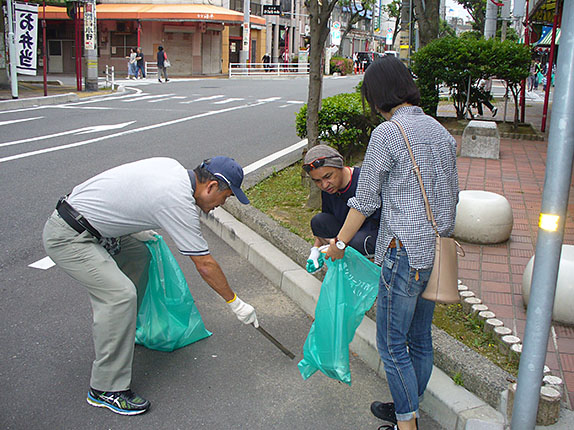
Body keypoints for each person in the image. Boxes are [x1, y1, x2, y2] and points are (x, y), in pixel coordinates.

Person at [42, 156, 258, 416]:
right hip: (69, 236)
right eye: (226, 197)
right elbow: (204, 264)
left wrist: (134, 225)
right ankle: (105, 389)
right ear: (211, 187)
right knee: (120, 295)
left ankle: (121, 331)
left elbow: (130, 193)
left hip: (94, 226)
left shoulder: (173, 169)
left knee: (139, 256)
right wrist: (235, 302)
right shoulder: (178, 201)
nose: (221, 204)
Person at [325, 56, 458, 430]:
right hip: (435, 247)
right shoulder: (440, 131)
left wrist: (338, 243)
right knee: (419, 339)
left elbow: (365, 200)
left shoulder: (387, 134)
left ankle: (406, 423)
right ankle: (406, 405)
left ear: (377, 95)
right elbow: (453, 194)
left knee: (391, 343)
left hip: (403, 253)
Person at [302, 145, 380, 273]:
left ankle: (364, 269)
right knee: (319, 221)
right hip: (344, 236)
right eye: (317, 181)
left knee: (358, 242)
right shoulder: (328, 189)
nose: (324, 185)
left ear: (339, 166)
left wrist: (340, 244)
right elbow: (327, 217)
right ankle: (340, 256)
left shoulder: (363, 182)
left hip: (372, 235)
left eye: (328, 176)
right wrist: (315, 250)